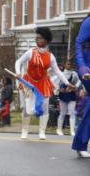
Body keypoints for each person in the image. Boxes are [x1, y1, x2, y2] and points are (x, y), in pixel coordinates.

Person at [15, 27, 74, 140]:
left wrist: (67, 83)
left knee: (45, 107)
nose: (37, 40)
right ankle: (24, 131)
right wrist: (18, 73)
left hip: (43, 83)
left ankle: (42, 131)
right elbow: (19, 62)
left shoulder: (50, 57)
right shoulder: (30, 52)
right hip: (29, 83)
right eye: (36, 38)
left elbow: (58, 72)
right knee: (27, 108)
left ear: (46, 40)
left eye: (40, 38)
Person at [72, 14, 90, 158]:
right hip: (87, 68)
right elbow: (78, 44)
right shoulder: (88, 22)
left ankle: (80, 143)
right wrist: (82, 66)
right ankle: (80, 143)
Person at [56, 60, 80, 136]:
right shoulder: (61, 73)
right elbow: (55, 83)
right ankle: (59, 129)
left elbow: (79, 82)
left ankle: (72, 131)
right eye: (67, 64)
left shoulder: (75, 74)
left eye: (70, 64)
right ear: (65, 65)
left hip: (71, 95)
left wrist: (75, 87)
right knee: (62, 113)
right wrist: (59, 89)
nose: (69, 65)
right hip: (63, 95)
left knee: (72, 113)